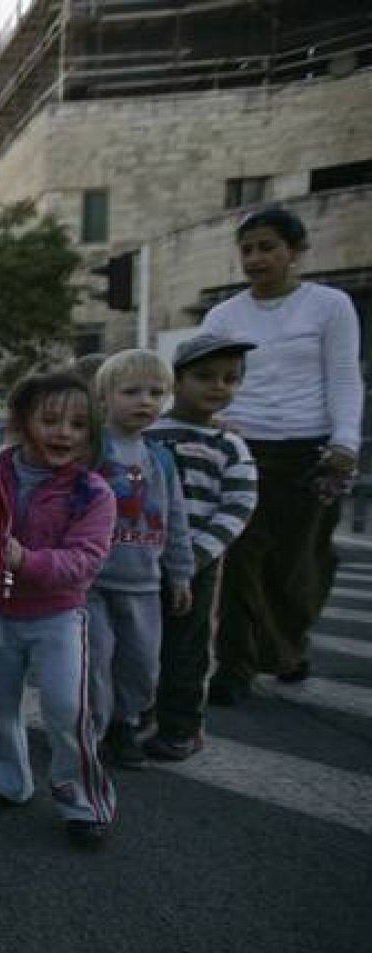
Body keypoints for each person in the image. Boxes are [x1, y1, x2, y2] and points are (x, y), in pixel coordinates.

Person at [199, 206, 364, 700]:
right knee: (240, 559)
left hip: (310, 450)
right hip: (241, 447)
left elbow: (343, 376)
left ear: (295, 252)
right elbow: (202, 380)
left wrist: (346, 443)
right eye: (247, 249)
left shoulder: (330, 305)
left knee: (301, 566)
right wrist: (206, 427)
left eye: (267, 247)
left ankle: (286, 648)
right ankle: (234, 668)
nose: (256, 258)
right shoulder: (223, 316)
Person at [0, 372, 117, 845]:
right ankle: (8, 779)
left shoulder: (94, 492)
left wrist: (25, 560)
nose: (64, 433)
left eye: (78, 424)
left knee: (65, 706)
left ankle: (85, 801)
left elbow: (85, 561)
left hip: (58, 616)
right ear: (22, 421)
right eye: (50, 419)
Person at [145, 333, 259, 757]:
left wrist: (197, 555)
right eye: (205, 377)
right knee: (137, 642)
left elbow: (240, 504)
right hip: (141, 557)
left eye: (231, 379)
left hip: (197, 561)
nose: (218, 387)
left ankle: (180, 727)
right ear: (177, 380)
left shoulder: (230, 444)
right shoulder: (149, 433)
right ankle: (134, 715)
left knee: (186, 647)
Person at [88, 349, 194, 769]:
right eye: (131, 392)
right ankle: (91, 732)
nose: (144, 401)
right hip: (91, 581)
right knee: (94, 661)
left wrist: (181, 574)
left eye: (156, 392)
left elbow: (175, 520)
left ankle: (124, 723)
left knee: (140, 664)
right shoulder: (92, 450)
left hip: (144, 583)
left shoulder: (161, 458)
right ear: (104, 398)